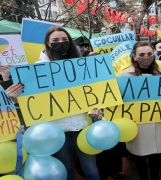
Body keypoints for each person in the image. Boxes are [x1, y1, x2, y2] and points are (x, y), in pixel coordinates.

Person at [6, 26, 101, 180]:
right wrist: (13, 96)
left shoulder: (81, 65)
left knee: (91, 170)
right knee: (67, 169)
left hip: (82, 125)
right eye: (55, 40)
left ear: (70, 42)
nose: (61, 43)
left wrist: (96, 107)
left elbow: (91, 93)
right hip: (55, 130)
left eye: (64, 40)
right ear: (48, 43)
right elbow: (28, 99)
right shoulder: (36, 68)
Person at [119, 41, 161, 180]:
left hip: (156, 121)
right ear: (134, 56)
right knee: (140, 157)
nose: (146, 57)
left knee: (156, 158)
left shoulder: (159, 74)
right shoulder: (124, 76)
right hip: (137, 123)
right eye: (142, 54)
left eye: (149, 54)